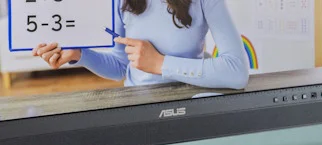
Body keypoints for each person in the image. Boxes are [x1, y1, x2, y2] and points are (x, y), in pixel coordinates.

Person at [31, 0, 249, 89]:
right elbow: (121, 67)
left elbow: (236, 72)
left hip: (187, 104)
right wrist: (80, 54)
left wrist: (161, 64)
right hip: (137, 107)